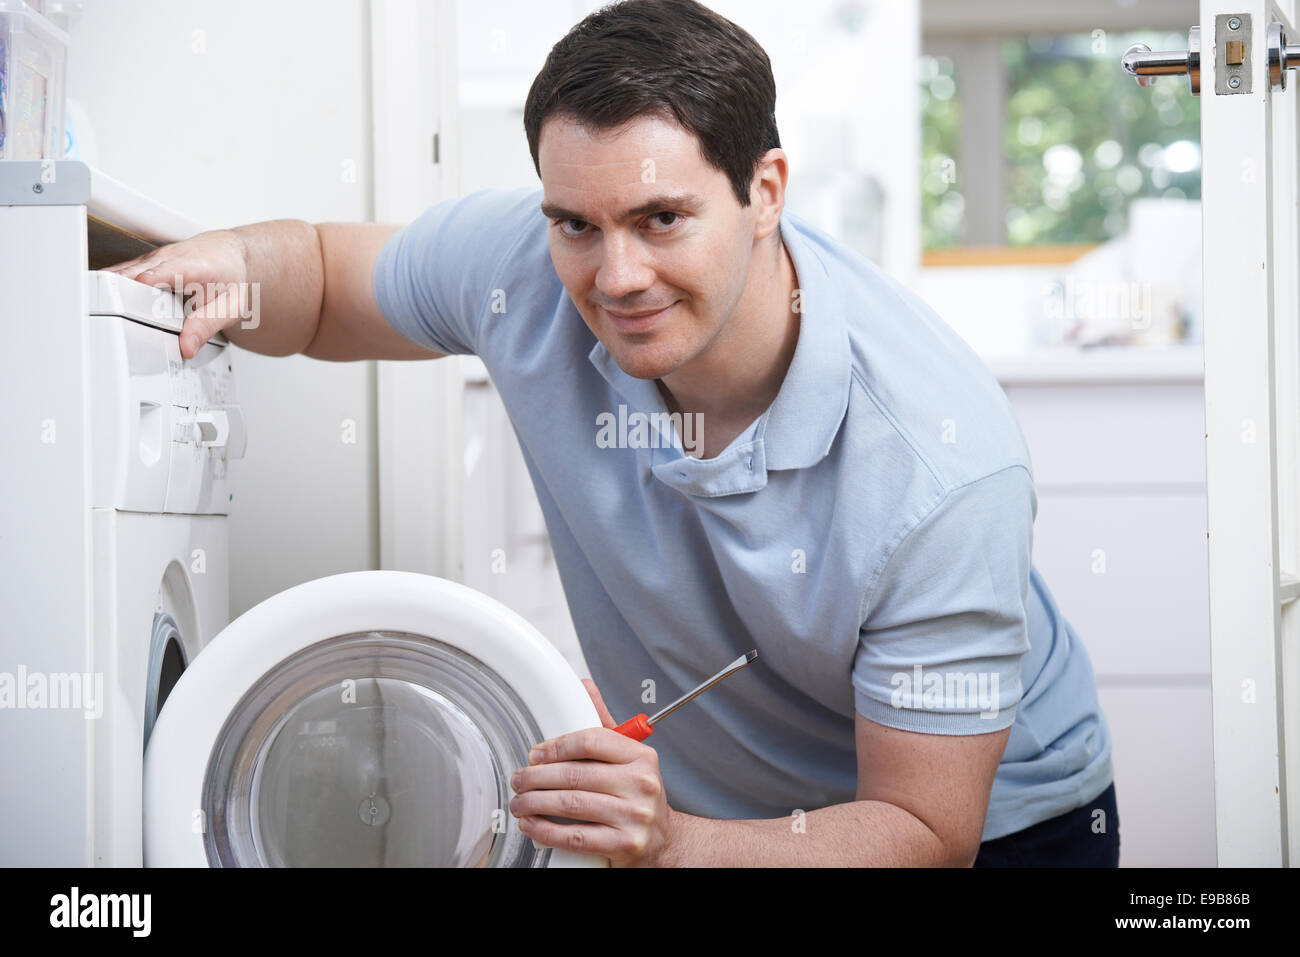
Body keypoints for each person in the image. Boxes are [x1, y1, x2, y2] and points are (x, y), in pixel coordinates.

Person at [106, 0, 1116, 867]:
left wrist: (676, 843)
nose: (614, 275)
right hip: (714, 819)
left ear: (764, 191)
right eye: (575, 223)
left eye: (661, 220)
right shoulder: (525, 261)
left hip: (984, 837)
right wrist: (199, 278)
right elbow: (324, 280)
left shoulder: (938, 470)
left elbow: (921, 828)